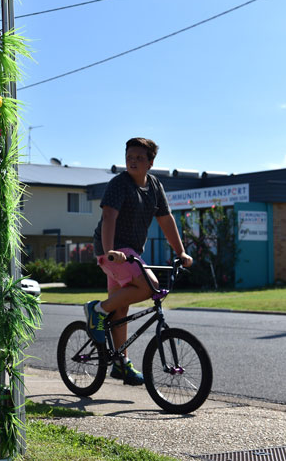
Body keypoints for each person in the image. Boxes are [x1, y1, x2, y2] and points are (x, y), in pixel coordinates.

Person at [84, 138, 193, 385]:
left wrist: (181, 253)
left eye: (139, 158)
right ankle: (96, 310)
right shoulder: (119, 184)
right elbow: (109, 216)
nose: (133, 161)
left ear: (151, 162)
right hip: (113, 250)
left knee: (119, 308)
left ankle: (121, 363)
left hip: (130, 252)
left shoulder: (155, 186)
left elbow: (166, 220)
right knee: (148, 285)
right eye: (129, 157)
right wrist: (111, 250)